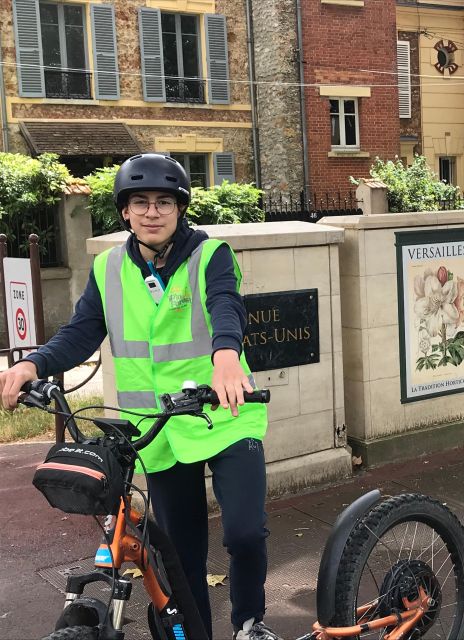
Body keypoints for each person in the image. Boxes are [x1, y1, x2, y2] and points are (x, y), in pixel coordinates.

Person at [0, 154, 280, 640]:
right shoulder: (109, 268)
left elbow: (226, 306)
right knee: (178, 555)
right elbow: (81, 332)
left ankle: (250, 623)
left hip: (224, 412)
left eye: (164, 202)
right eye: (141, 202)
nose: (153, 212)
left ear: (180, 209)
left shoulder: (209, 256)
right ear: (125, 212)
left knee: (244, 533)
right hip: (159, 428)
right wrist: (33, 362)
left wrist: (226, 355)